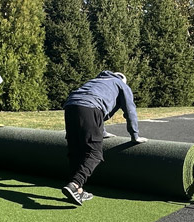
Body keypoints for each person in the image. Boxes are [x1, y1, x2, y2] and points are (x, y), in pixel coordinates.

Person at [60, 71, 146, 206]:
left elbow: (102, 112)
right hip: (89, 107)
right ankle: (75, 184)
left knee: (76, 150)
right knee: (94, 153)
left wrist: (102, 131)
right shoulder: (121, 85)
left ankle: (79, 190)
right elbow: (130, 111)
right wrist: (135, 135)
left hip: (70, 106)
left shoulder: (97, 81)